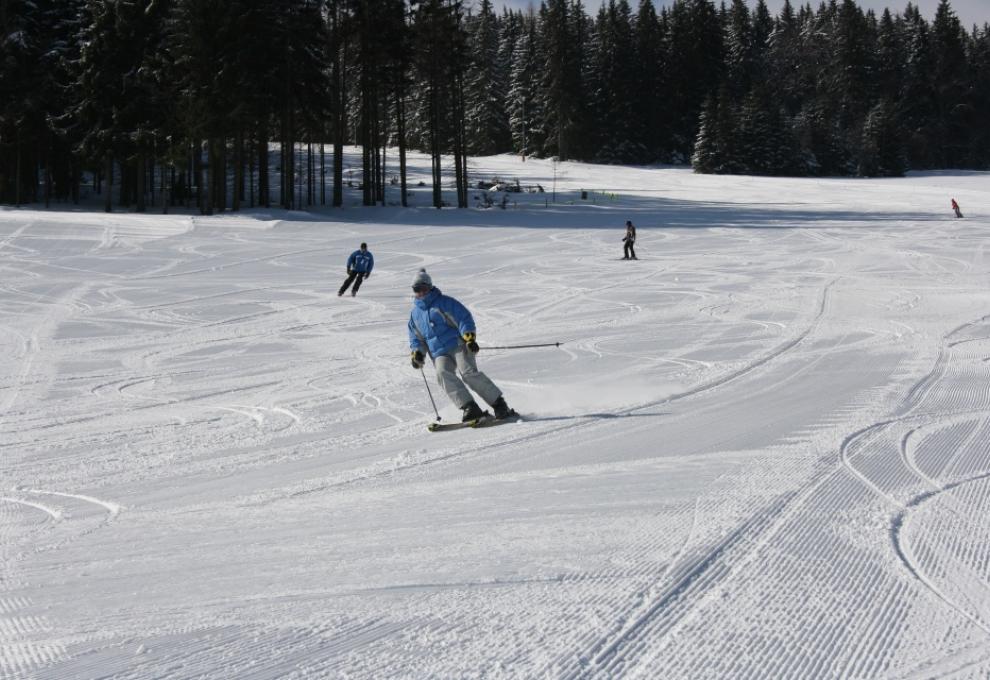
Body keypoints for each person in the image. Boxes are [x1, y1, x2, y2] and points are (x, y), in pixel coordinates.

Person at [407, 269, 514, 421]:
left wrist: (469, 336)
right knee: (442, 374)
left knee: (468, 373)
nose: (421, 292)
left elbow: (463, 318)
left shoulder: (444, 302)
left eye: (423, 288)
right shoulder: (415, 314)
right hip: (438, 353)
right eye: (417, 289)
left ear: (430, 287)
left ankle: (499, 404)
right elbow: (415, 338)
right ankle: (470, 407)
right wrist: (417, 352)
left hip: (457, 344)